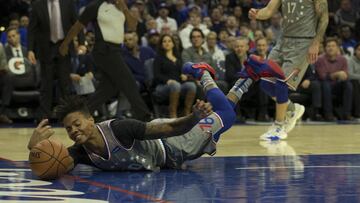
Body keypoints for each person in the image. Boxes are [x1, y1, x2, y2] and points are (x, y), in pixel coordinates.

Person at [27, 61, 254, 174]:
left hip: (174, 143)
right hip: (167, 159)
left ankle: (202, 72)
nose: (74, 131)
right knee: (223, 118)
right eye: (68, 129)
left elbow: (170, 130)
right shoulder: (81, 152)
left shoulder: (120, 128)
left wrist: (194, 118)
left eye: (77, 124)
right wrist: (34, 147)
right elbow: (53, 167)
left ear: (90, 120)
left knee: (226, 116)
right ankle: (247, 78)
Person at [248, 0, 329, 140]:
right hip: (283, 39)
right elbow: (268, 10)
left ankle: (279, 126)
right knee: (265, 81)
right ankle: (292, 109)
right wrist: (256, 14)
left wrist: (316, 42)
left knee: (281, 82)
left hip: (303, 41)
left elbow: (324, 17)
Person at [59, 0, 151, 121]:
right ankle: (145, 117)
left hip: (117, 50)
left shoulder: (121, 6)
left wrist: (124, 9)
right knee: (129, 82)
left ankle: (81, 115)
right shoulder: (95, 6)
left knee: (108, 89)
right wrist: (65, 43)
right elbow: (78, 26)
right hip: (104, 50)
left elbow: (133, 26)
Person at [28, 0, 86, 119]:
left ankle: (68, 116)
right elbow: (32, 29)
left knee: (65, 84)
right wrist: (30, 49)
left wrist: (81, 42)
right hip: (45, 48)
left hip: (63, 46)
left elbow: (77, 23)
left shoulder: (68, 3)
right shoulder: (37, 5)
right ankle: (44, 117)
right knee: (46, 84)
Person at [153, 34, 197, 118]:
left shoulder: (178, 58)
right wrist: (168, 80)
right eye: (164, 41)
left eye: (169, 41)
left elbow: (182, 73)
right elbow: (156, 75)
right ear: (161, 44)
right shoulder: (158, 58)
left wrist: (184, 76)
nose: (167, 43)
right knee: (175, 85)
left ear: (173, 44)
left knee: (191, 86)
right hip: (162, 86)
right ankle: (173, 113)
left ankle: (187, 112)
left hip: (177, 85)